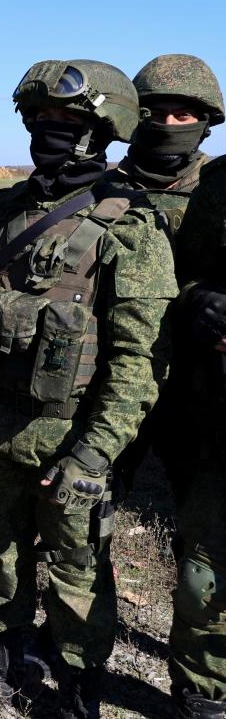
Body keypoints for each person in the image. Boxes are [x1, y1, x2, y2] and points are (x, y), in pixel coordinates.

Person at [0, 61, 176, 718]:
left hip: (72, 437)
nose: (49, 132)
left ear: (104, 131)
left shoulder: (129, 228)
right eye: (40, 120)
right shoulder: (0, 210)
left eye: (69, 122)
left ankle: (78, 692)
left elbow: (140, 360)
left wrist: (94, 456)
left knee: (76, 573)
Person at [106, 55, 224, 503]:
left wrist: (202, 298)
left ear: (206, 121)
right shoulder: (97, 191)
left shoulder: (218, 191)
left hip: (198, 377)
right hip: (114, 369)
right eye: (153, 114)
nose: (167, 124)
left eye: (183, 115)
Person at [164, 109, 226, 719]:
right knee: (205, 571)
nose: (167, 124)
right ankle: (204, 692)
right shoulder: (222, 186)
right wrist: (199, 300)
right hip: (209, 404)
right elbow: (184, 275)